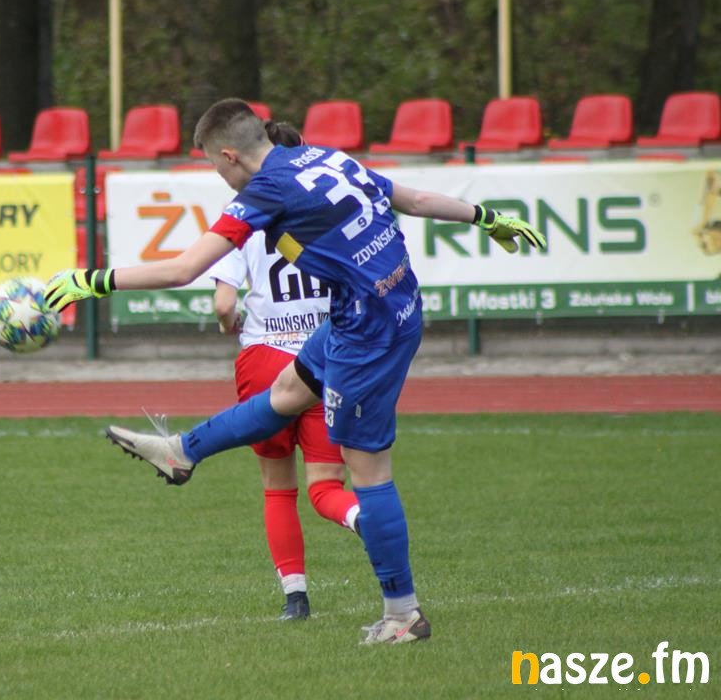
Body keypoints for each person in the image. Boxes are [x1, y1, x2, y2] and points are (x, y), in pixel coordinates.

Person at [45, 98, 546, 645]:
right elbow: (415, 199)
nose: (219, 177)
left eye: (214, 165)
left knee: (369, 473)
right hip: (383, 307)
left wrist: (93, 281)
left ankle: (403, 615)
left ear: (230, 155)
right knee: (287, 393)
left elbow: (185, 268)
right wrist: (487, 217)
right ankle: (182, 452)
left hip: (368, 334)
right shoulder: (325, 157)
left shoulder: (266, 190)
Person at [208, 119, 358, 621]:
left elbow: (223, 302)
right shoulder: (324, 210)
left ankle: (296, 598)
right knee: (326, 487)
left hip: (265, 359)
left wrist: (229, 321)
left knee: (278, 487)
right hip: (323, 357)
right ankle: (364, 519)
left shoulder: (245, 212)